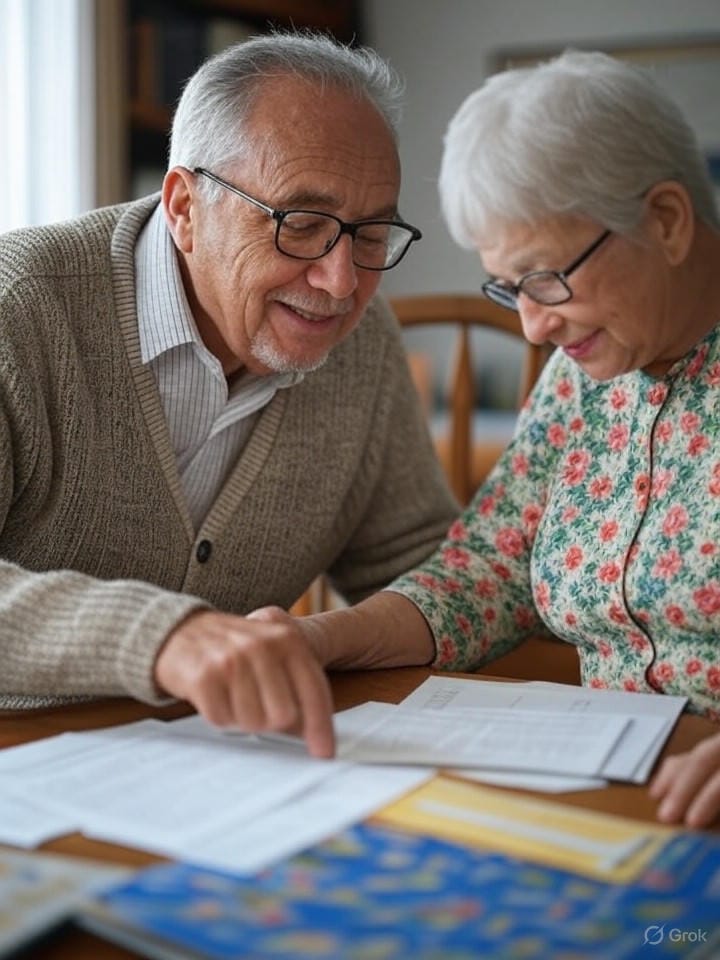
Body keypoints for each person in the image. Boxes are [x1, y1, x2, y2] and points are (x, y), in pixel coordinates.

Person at [290, 49, 720, 827]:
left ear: (665, 220)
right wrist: (320, 640)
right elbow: (490, 566)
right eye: (507, 286)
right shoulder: (582, 371)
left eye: (548, 278)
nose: (530, 325)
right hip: (611, 790)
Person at [0, 33, 457, 752]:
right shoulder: (19, 306)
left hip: (221, 767)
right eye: (301, 225)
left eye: (371, 235)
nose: (341, 284)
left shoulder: (361, 346)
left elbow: (424, 562)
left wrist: (322, 637)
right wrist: (165, 637)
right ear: (184, 206)